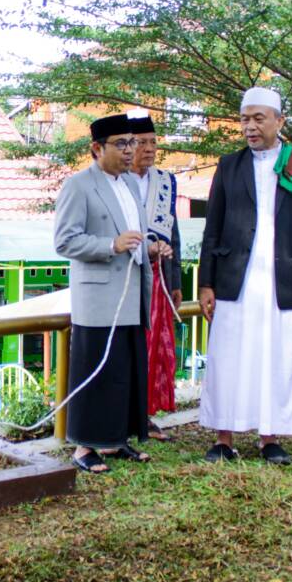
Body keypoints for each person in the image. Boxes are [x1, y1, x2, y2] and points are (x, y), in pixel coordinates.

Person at [197, 87, 292, 465]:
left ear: (279, 121)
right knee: (228, 357)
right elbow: (212, 228)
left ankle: (270, 438)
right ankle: (224, 437)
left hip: (283, 281)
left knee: (277, 357)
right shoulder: (228, 166)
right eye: (244, 119)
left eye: (258, 119)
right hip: (234, 278)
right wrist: (206, 283)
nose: (250, 127)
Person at [53, 113, 172, 474]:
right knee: (95, 370)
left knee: (124, 371)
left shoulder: (130, 184)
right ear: (96, 148)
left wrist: (151, 249)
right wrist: (111, 245)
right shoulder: (79, 186)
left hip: (132, 294)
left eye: (132, 142)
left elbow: (134, 235)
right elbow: (65, 241)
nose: (130, 150)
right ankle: (84, 447)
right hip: (99, 297)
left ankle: (116, 439)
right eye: (121, 144)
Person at [128, 110, 182, 441]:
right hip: (125, 276)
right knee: (128, 345)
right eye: (141, 143)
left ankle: (145, 415)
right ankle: (123, 413)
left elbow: (173, 233)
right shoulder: (117, 180)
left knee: (154, 344)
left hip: (159, 278)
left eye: (153, 143)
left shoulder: (165, 181)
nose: (149, 149)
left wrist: (176, 282)